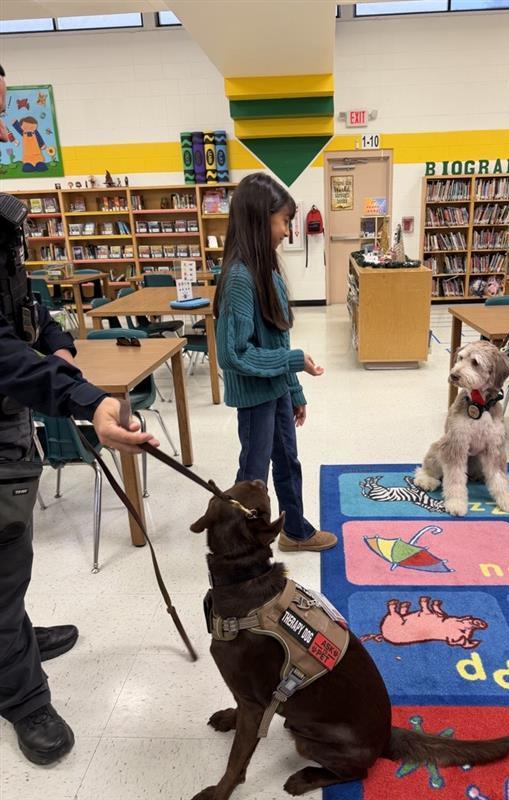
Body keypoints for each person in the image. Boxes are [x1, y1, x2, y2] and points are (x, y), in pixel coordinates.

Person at [0, 63, 159, 767]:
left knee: (10, 563)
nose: (5, 134)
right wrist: (87, 399)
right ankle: (22, 696)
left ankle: (14, 638)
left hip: (13, 421)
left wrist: (58, 342)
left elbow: (24, 303)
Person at [214, 172, 337, 552]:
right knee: (253, 478)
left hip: (276, 388)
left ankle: (295, 530)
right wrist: (294, 361)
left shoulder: (266, 270)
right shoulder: (239, 277)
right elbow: (234, 353)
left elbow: (278, 337)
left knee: (288, 462)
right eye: (283, 221)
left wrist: (294, 389)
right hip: (255, 397)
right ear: (258, 218)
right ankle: (242, 550)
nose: (287, 231)